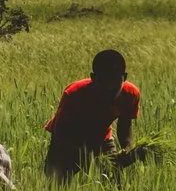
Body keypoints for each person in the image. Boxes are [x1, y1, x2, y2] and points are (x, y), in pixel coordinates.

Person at [43, 48, 154, 182]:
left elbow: (125, 125)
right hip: (68, 139)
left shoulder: (130, 94)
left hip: (102, 138)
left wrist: (127, 150)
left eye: (115, 81)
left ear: (124, 78)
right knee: (55, 183)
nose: (109, 88)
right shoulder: (75, 94)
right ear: (93, 78)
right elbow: (60, 133)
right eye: (104, 81)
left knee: (114, 179)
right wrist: (87, 158)